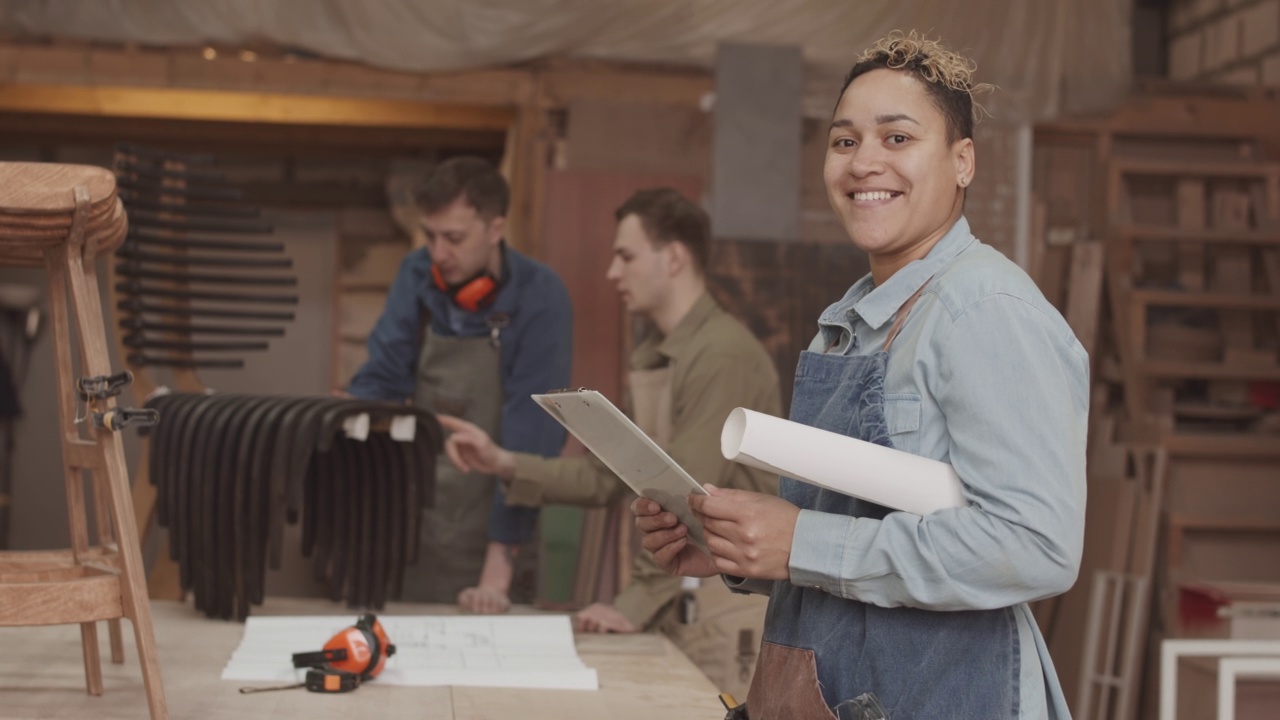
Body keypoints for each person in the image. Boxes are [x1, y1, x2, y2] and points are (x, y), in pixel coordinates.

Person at [633, 31, 1088, 719]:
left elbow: (1036, 546)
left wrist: (800, 543)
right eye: (845, 142)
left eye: (898, 138)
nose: (864, 162)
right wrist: (738, 551)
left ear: (963, 161)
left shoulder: (982, 310)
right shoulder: (852, 319)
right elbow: (846, 540)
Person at [440, 188, 781, 699]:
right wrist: (503, 462)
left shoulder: (721, 355)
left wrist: (632, 603)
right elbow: (610, 476)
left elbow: (683, 495)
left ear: (675, 258)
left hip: (724, 611)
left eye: (625, 256)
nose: (611, 273)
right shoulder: (654, 355)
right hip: (682, 605)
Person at [346, 156, 573, 613]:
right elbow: (385, 377)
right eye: (430, 236)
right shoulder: (417, 276)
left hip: (501, 520)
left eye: (453, 238)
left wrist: (497, 570)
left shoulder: (539, 296)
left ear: (495, 230)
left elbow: (532, 440)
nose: (438, 254)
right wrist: (350, 415)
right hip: (421, 516)